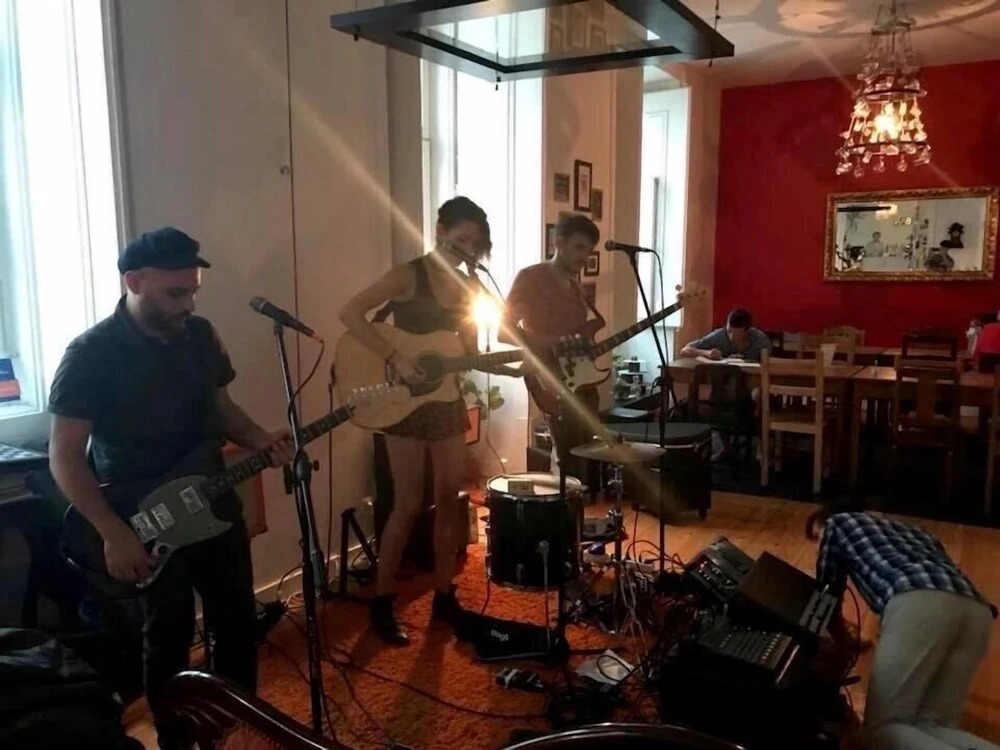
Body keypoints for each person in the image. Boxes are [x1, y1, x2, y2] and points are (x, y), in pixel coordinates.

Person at [48, 227, 295, 749]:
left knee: (236, 620)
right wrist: (112, 531)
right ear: (134, 282)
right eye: (175, 293)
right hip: (143, 518)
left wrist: (260, 439)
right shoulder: (89, 353)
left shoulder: (200, 336)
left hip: (212, 499)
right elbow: (65, 456)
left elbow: (222, 409)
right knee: (167, 636)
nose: (188, 304)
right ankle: (176, 740)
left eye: (193, 291)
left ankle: (235, 728)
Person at [340, 196, 504, 646]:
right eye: (461, 238)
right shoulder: (409, 275)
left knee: (449, 499)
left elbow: (466, 353)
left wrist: (510, 363)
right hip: (403, 400)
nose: (467, 249)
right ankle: (382, 600)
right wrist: (395, 356)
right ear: (440, 231)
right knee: (407, 503)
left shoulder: (471, 287)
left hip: (444, 398)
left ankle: (444, 595)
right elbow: (350, 313)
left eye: (475, 244)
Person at [809, 509, 997, 750]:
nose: (818, 547)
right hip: (977, 610)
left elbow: (826, 598)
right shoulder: (916, 532)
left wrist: (841, 641)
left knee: (882, 729)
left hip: (920, 602)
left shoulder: (837, 523)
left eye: (817, 538)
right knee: (933, 725)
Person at [501, 213, 602, 480]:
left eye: (589, 251)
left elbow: (576, 335)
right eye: (579, 247)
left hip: (582, 380)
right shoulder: (532, 278)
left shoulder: (576, 288)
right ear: (558, 242)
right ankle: (563, 505)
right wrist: (552, 343)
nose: (584, 257)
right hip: (550, 380)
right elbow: (505, 331)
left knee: (588, 459)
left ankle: (581, 505)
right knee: (568, 460)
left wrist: (585, 346)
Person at [679, 308, 770, 362]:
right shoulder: (719, 336)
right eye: (729, 332)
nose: (731, 337)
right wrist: (707, 353)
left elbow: (771, 363)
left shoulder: (760, 340)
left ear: (748, 331)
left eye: (736, 335)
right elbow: (685, 350)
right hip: (722, 381)